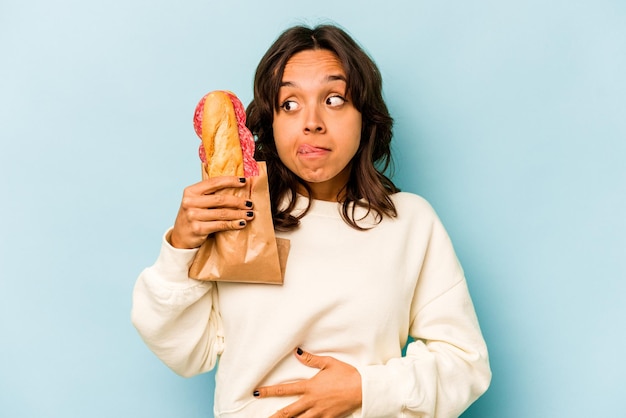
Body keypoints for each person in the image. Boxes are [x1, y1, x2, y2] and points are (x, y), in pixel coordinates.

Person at [132, 24, 491, 418]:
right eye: (290, 104)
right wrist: (181, 248)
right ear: (269, 121)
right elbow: (186, 352)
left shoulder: (410, 222)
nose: (312, 121)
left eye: (334, 99)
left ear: (365, 117)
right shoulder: (240, 214)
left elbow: (465, 365)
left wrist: (365, 389)